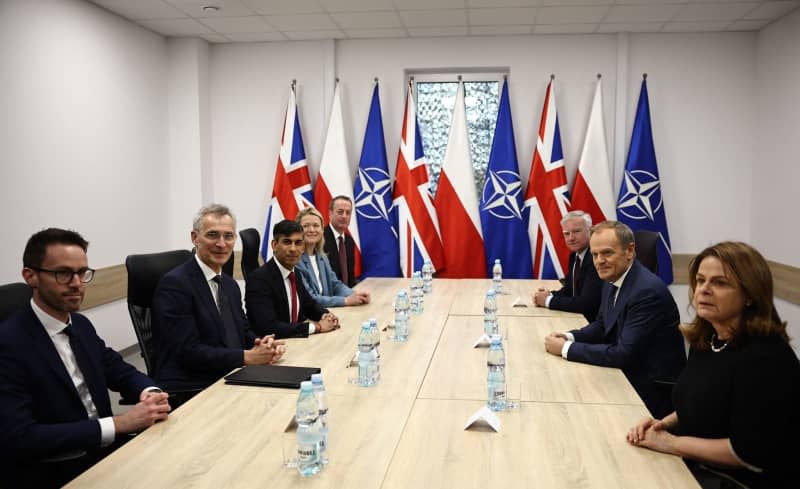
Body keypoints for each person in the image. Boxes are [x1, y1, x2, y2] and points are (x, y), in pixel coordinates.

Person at [0, 228, 171, 488]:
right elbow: (20, 436)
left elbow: (117, 369)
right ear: (30, 276)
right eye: (63, 273)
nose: (77, 284)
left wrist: (150, 391)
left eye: (82, 273)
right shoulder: (9, 343)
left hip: (104, 452)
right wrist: (119, 423)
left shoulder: (80, 324)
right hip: (59, 468)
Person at [627, 242, 800, 489]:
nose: (704, 290)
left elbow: (745, 453)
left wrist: (670, 443)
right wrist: (662, 423)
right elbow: (705, 400)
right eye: (700, 280)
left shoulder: (765, 358)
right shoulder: (709, 338)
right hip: (700, 464)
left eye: (720, 283)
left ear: (750, 294)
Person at [544, 220, 686, 418]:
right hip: (625, 375)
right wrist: (569, 337)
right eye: (594, 255)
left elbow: (623, 354)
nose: (599, 261)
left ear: (629, 251)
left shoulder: (646, 292)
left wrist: (566, 349)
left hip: (650, 391)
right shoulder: (614, 278)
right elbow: (603, 325)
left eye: (607, 253)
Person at [151, 204, 285, 398]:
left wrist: (260, 344)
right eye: (213, 235)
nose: (222, 244)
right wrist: (246, 357)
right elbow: (187, 351)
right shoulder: (175, 285)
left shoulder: (229, 285)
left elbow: (241, 330)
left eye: (228, 236)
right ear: (194, 238)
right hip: (193, 385)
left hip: (228, 373)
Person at [246, 219, 340, 338]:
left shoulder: (296, 273)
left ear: (303, 247)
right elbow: (268, 327)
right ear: (274, 245)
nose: (293, 249)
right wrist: (317, 327)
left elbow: (309, 305)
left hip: (294, 343)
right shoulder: (258, 280)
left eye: (298, 243)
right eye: (287, 242)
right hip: (272, 348)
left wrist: (326, 315)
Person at [532, 210, 603, 321]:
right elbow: (570, 290)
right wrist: (550, 294)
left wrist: (547, 301)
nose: (571, 238)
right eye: (566, 233)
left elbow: (586, 304)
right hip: (577, 318)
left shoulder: (596, 258)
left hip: (592, 323)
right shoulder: (574, 256)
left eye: (576, 231)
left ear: (590, 231)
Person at [295, 208, 370, 308]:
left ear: (322, 230)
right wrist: (345, 300)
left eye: (316, 225)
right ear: (298, 231)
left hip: (327, 313)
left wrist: (355, 295)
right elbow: (310, 298)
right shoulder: (295, 261)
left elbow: (335, 285)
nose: (312, 230)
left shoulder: (322, 257)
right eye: (306, 226)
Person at [323, 195, 357, 287]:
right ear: (330, 213)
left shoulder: (349, 241)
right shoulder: (320, 239)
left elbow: (350, 276)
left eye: (348, 213)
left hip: (348, 295)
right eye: (340, 212)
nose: (344, 216)